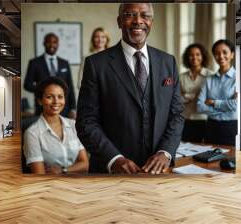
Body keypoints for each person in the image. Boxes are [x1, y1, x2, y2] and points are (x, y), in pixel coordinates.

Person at [76, 3, 184, 174]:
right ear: (119, 21)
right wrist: (114, 159)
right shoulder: (96, 64)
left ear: (151, 22)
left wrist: (165, 152)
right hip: (110, 173)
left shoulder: (168, 62)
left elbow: (176, 114)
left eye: (145, 16)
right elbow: (86, 121)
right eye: (130, 15)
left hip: (158, 172)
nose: (138, 21)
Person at [23, 77, 88, 174]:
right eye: (49, 97)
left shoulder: (73, 125)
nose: (56, 101)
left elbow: (85, 165)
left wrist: (63, 170)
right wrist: (74, 168)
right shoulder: (32, 134)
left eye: (60, 97)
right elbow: (39, 175)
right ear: (40, 101)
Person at [24, 33, 76, 119]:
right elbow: (27, 85)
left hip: (63, 108)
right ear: (44, 43)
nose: (52, 45)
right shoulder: (35, 63)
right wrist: (44, 90)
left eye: (54, 42)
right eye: (48, 42)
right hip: (43, 107)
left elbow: (70, 86)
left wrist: (73, 108)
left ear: (58, 44)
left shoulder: (64, 63)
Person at [197, 39, 237, 146]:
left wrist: (213, 103)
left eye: (225, 52)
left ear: (232, 54)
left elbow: (236, 105)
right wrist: (225, 108)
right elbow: (200, 106)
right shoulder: (209, 79)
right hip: (211, 127)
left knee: (230, 160)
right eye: (217, 53)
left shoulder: (239, 78)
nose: (221, 56)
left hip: (231, 127)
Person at [180, 43, 214, 143]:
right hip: (186, 120)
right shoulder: (181, 77)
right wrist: (194, 96)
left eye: (198, 54)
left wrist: (186, 96)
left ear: (203, 56)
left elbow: (211, 98)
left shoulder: (210, 75)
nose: (194, 57)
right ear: (187, 58)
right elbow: (176, 99)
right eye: (191, 55)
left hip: (205, 120)